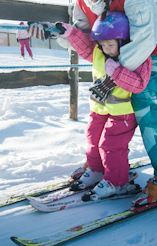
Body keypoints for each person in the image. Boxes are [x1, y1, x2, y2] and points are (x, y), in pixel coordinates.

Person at [56, 0, 157, 207]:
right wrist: (59, 34)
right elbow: (86, 40)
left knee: (144, 100)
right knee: (104, 107)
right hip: (115, 56)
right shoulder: (83, 2)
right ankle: (101, 164)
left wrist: (114, 79)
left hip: (156, 46)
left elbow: (143, 40)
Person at [57, 12, 151, 200]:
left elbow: (139, 84)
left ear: (122, 41)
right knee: (93, 138)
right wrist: (71, 33)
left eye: (110, 45)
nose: (106, 49)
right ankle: (96, 170)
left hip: (122, 113)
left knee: (110, 145)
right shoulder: (100, 51)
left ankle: (118, 182)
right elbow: (85, 48)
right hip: (99, 108)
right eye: (102, 45)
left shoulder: (136, 55)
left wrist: (117, 72)